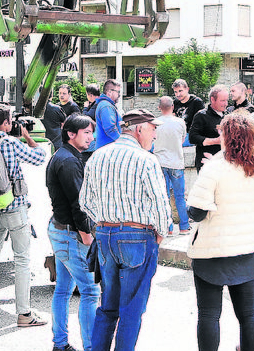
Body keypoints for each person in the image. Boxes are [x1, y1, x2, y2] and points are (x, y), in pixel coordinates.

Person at [81, 109, 172, 351]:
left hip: (105, 233)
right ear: (139, 129)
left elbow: (85, 203)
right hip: (137, 235)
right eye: (153, 129)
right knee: (132, 309)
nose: (155, 135)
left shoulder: (97, 156)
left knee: (108, 306)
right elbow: (160, 204)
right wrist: (161, 233)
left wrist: (104, 221)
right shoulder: (146, 160)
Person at [187, 110, 254, 351]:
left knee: (208, 314)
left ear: (228, 136)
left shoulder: (215, 167)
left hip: (212, 250)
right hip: (247, 247)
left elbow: (197, 211)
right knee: (248, 314)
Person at [0, 103, 48, 327]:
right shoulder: (10, 142)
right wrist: (27, 136)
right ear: (6, 123)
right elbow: (39, 157)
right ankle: (24, 314)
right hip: (14, 207)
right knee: (22, 260)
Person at [46, 114, 101, 351]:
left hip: (61, 230)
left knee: (63, 290)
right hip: (70, 233)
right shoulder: (68, 161)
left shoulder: (65, 155)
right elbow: (78, 204)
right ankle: (90, 347)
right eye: (86, 132)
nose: (91, 137)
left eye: (91, 132)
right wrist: (87, 236)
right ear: (71, 134)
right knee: (90, 291)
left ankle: (60, 343)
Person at [153, 96, 190, 236]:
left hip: (160, 162)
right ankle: (184, 226)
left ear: (159, 108)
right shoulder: (180, 122)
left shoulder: (155, 123)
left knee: (164, 196)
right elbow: (182, 140)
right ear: (173, 106)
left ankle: (168, 227)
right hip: (177, 162)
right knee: (180, 196)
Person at [189, 85, 227, 169]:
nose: (226, 104)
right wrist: (216, 141)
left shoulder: (228, 115)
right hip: (206, 163)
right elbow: (192, 137)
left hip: (225, 162)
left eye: (226, 100)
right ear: (213, 100)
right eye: (222, 101)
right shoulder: (201, 115)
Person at [91, 79, 122, 149]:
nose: (119, 95)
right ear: (109, 92)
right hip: (107, 149)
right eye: (118, 92)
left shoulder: (105, 105)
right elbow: (110, 129)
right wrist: (122, 142)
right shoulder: (106, 106)